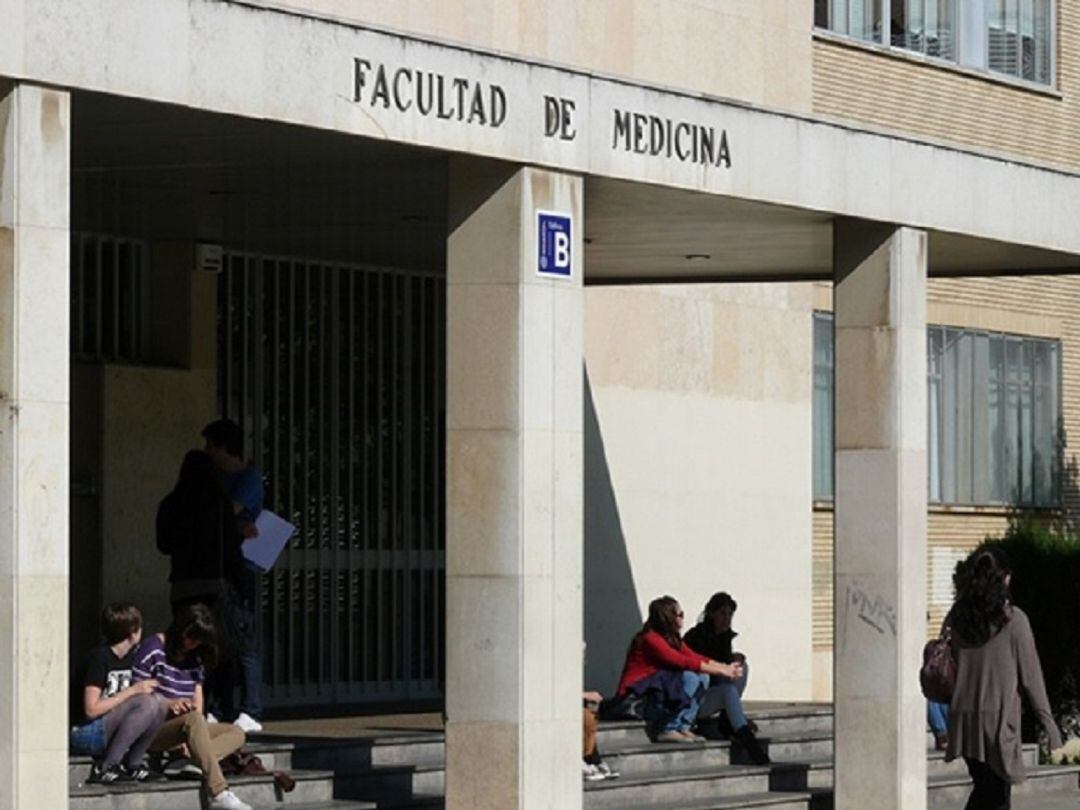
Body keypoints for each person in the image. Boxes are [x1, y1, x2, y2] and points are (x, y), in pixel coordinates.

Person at [945, 547, 1062, 810]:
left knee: (985, 790)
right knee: (997, 796)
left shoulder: (957, 617)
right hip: (997, 722)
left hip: (964, 719)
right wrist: (1049, 724)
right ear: (1004, 579)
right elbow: (1032, 678)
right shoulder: (1014, 620)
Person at [132, 603, 252, 810]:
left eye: (198, 640)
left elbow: (197, 701)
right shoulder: (153, 648)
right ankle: (219, 791)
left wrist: (194, 737)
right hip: (153, 726)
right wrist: (168, 704)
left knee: (236, 732)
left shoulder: (195, 658)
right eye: (191, 637)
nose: (192, 643)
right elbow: (137, 695)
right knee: (194, 720)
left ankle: (190, 762)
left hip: (187, 728)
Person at [615, 596, 750, 750]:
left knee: (703, 676)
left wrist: (725, 668)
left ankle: (684, 725)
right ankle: (667, 728)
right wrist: (722, 670)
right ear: (667, 617)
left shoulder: (672, 639)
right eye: (679, 615)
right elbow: (681, 661)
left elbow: (695, 657)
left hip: (657, 694)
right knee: (690, 677)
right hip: (638, 699)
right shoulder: (650, 639)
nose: (682, 619)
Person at [203, 418, 266, 734]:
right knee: (220, 637)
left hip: (242, 566)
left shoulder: (248, 479)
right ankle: (219, 705)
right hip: (221, 565)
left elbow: (228, 510)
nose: (208, 452)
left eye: (211, 445)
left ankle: (250, 708)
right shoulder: (217, 478)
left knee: (244, 638)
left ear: (224, 446)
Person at [69, 603, 165, 783]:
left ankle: (134, 763)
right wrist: (132, 691)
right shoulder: (99, 659)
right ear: (133, 632)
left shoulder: (132, 656)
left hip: (108, 727)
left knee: (159, 701)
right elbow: (91, 709)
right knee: (146, 702)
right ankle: (107, 766)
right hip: (85, 732)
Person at [683, 592, 754, 737]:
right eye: (722, 614)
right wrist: (724, 668)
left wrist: (733, 660)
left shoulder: (724, 637)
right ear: (711, 614)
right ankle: (741, 731)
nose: (726, 619)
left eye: (729, 614)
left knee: (740, 668)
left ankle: (730, 718)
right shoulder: (697, 636)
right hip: (697, 696)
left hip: (716, 689)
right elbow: (703, 666)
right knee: (728, 689)